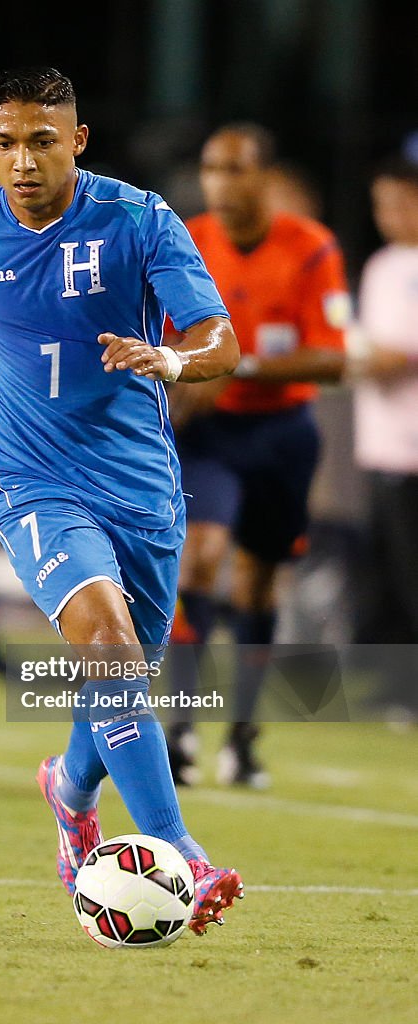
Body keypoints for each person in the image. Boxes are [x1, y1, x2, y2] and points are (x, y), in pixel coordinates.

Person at [0, 66, 244, 934]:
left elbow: (219, 338)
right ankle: (182, 853)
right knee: (106, 646)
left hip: (142, 486)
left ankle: (69, 790)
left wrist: (176, 361)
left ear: (76, 140)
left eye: (42, 140)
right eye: (5, 142)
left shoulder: (139, 220)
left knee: (120, 677)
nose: (23, 160)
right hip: (32, 483)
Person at [164, 123, 350, 787]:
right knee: (200, 558)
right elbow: (162, 336)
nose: (219, 181)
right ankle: (179, 732)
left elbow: (330, 357)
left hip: (279, 433)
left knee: (257, 583)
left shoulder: (309, 247)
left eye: (234, 168)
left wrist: (230, 371)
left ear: (262, 178)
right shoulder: (186, 238)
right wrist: (181, 376)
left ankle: (241, 738)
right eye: (211, 167)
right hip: (208, 436)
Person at [350, 155, 418, 722]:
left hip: (413, 447)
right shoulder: (382, 265)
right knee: (386, 577)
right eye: (382, 204)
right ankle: (395, 688)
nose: (389, 215)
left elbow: (396, 355)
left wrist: (346, 357)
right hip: (384, 445)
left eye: (401, 202)